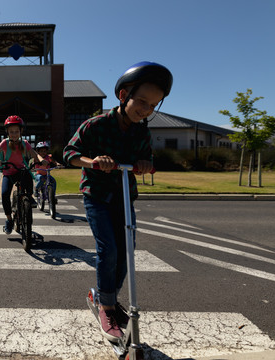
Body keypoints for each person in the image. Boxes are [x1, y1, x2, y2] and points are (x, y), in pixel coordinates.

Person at [63, 61, 173, 341]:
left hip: (125, 196)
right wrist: (94, 161)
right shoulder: (96, 125)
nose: (146, 110)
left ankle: (105, 296)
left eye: (153, 106)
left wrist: (146, 164)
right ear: (124, 96)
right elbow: (70, 154)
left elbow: (146, 158)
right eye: (143, 101)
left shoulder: (141, 131)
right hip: (97, 196)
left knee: (126, 252)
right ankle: (107, 307)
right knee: (108, 249)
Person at [0, 115, 48, 234]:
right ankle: (9, 220)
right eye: (11, 132)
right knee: (5, 194)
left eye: (16, 131)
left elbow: (34, 154)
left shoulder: (24, 143)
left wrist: (41, 159)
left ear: (21, 131)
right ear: (7, 132)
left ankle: (29, 197)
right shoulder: (4, 143)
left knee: (27, 175)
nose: (14, 134)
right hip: (8, 172)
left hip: (21, 171)